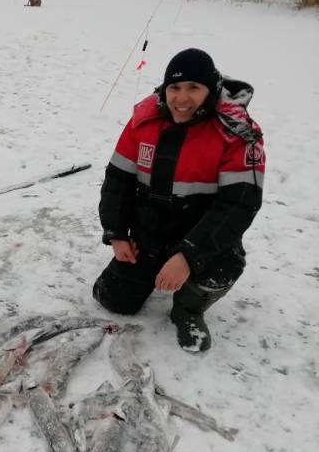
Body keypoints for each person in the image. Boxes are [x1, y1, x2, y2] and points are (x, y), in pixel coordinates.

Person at [93, 48, 265, 352]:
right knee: (112, 301)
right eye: (174, 88)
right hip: (150, 230)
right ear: (164, 89)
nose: (181, 99)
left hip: (201, 233)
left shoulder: (237, 133)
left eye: (193, 88)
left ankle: (188, 308)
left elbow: (238, 206)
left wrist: (188, 255)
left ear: (210, 91)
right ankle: (149, 270)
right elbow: (117, 182)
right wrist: (117, 234)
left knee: (224, 267)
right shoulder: (142, 122)